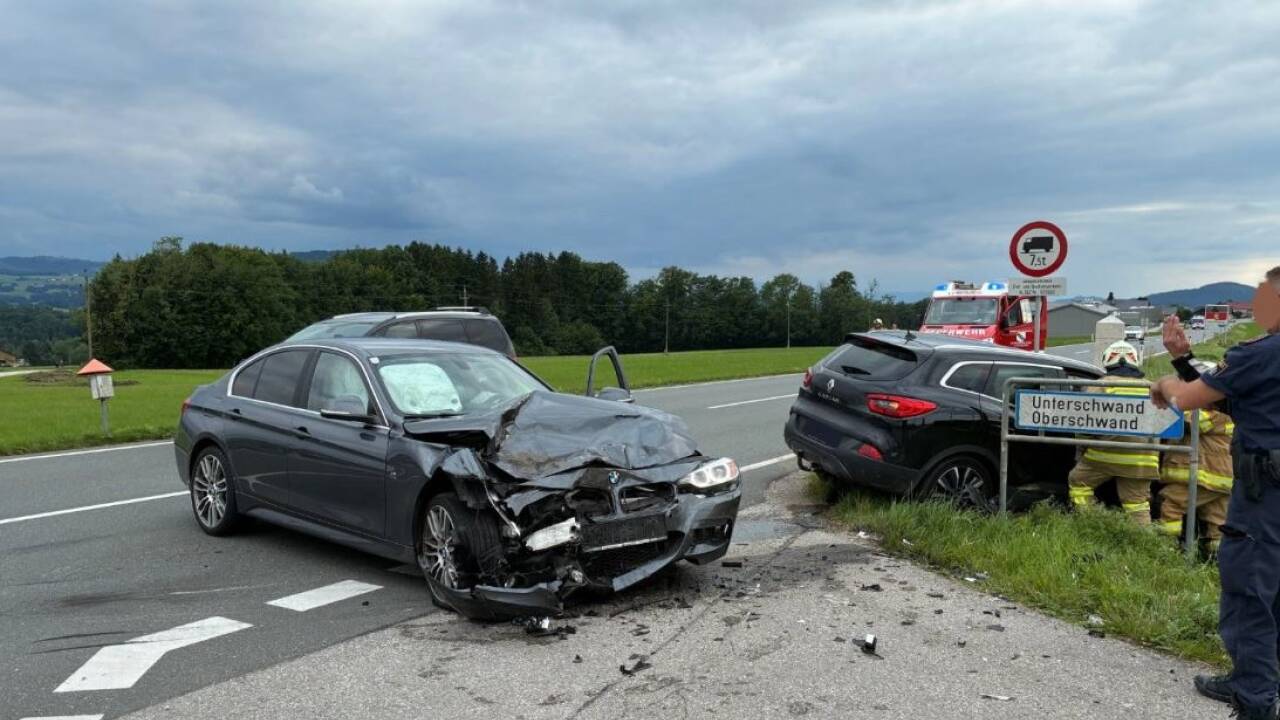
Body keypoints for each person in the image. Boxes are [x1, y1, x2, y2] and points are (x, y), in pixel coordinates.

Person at [1150, 266, 1280, 718]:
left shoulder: (1261, 353)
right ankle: (1253, 679)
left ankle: (1255, 701)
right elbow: (1228, 397)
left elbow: (1187, 399)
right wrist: (1184, 359)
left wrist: (1164, 383)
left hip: (1265, 498)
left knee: (1250, 595)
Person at [1066, 340, 1159, 525]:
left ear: (1108, 361)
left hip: (1105, 455)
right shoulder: (1152, 388)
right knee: (1137, 504)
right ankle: (1143, 539)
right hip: (1143, 460)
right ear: (1135, 360)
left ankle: (1094, 523)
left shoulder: (1101, 385)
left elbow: (1084, 424)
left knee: (1078, 482)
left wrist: (1081, 453)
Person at [1154, 359, 1233, 553]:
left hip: (1203, 477)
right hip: (1218, 479)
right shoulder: (1227, 410)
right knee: (1218, 522)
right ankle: (1215, 558)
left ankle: (1165, 549)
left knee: (1170, 505)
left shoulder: (1216, 414)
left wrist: (1171, 400)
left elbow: (1190, 422)